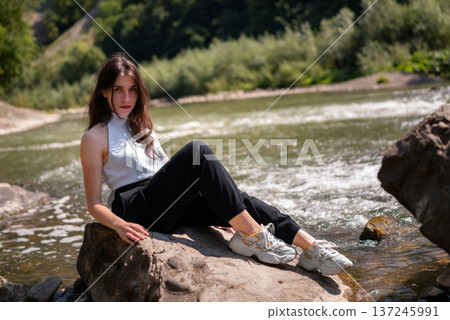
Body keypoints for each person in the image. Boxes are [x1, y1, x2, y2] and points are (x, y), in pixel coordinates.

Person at [80, 52, 353, 275]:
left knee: (240, 201)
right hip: (136, 206)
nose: (126, 98)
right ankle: (254, 235)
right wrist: (118, 225)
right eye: (118, 90)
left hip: (164, 200)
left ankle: (310, 248)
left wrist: (222, 208)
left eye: (132, 91)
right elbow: (94, 203)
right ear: (105, 91)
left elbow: (163, 173)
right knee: (197, 151)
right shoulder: (94, 137)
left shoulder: (143, 127)